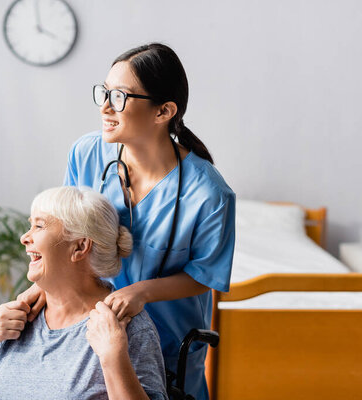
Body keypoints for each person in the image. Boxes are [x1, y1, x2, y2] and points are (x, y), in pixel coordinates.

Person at [20, 42, 236, 399]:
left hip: (169, 343)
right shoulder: (86, 153)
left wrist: (141, 292)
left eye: (119, 96)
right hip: (90, 333)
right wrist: (39, 289)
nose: (105, 107)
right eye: (104, 93)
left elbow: (204, 276)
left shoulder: (209, 194)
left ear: (163, 111)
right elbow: (66, 233)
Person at [0, 186, 168, 399]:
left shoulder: (125, 327)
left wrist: (113, 357)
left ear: (79, 247)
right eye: (30, 226)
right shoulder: (17, 318)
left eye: (39, 226)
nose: (24, 238)